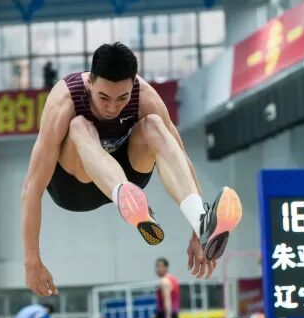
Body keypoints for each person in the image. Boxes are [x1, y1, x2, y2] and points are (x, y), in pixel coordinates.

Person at [21, 42, 242, 297]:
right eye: (104, 97)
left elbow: (180, 158)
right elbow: (32, 188)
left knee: (155, 124)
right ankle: (123, 194)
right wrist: (32, 261)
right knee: (80, 125)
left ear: (132, 87)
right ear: (90, 83)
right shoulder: (64, 100)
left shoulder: (145, 96)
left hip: (128, 173)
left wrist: (197, 233)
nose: (112, 107)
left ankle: (200, 220)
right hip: (75, 187)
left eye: (122, 98)